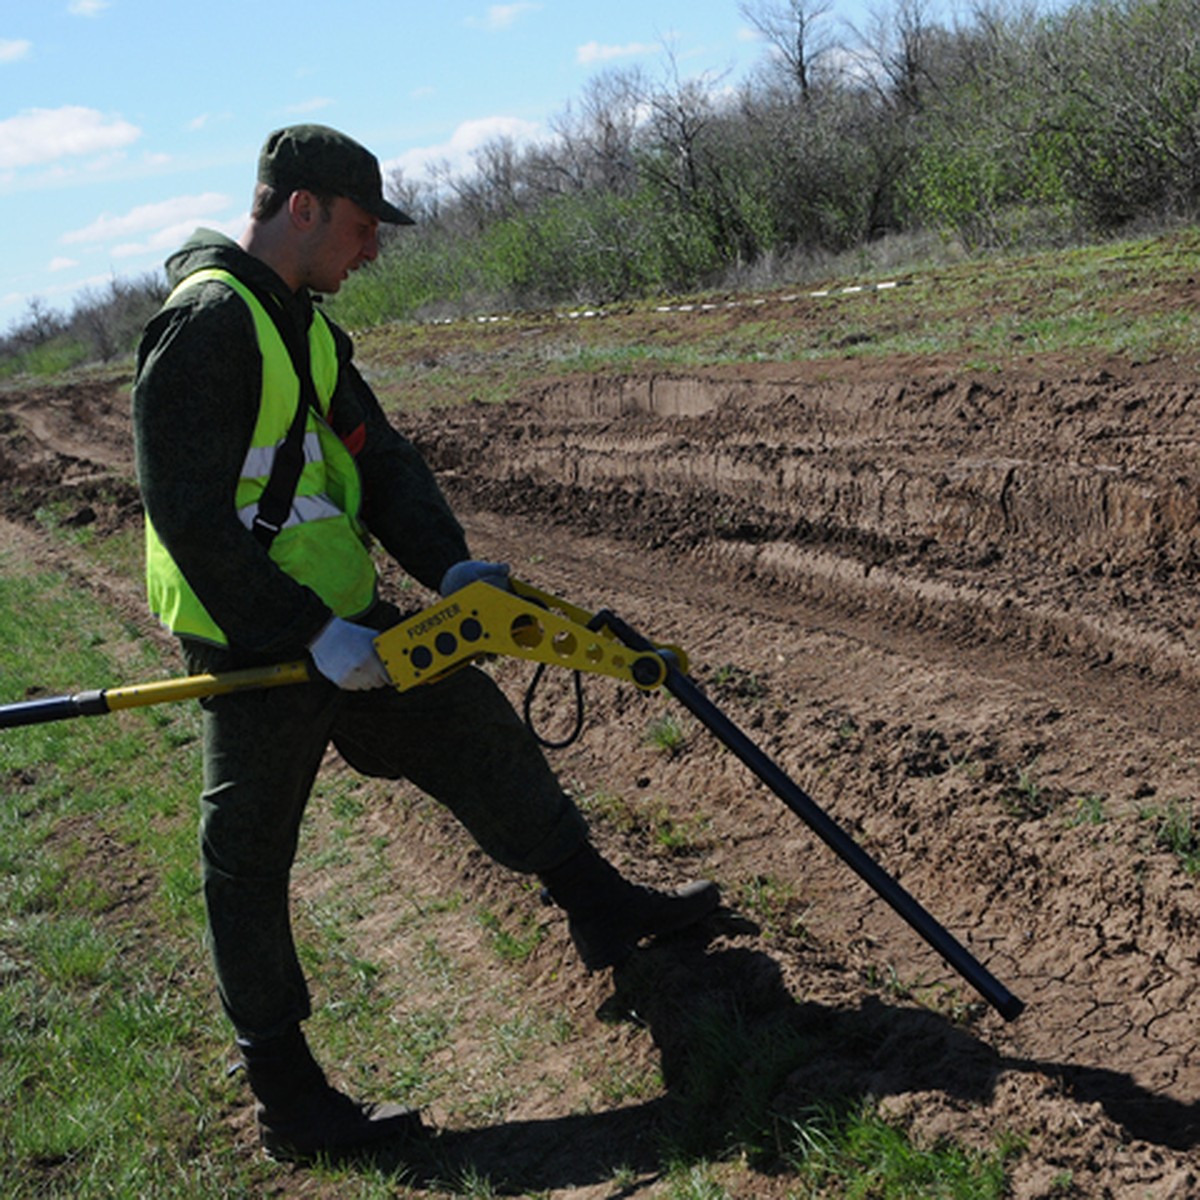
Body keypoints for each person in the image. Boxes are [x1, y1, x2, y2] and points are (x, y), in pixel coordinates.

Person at [131, 124, 720, 1165]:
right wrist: (308, 634)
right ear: (301, 209)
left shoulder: (303, 326)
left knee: (470, 725)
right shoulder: (210, 324)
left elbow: (379, 455)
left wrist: (445, 566)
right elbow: (186, 513)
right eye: (362, 228)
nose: (372, 251)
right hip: (257, 646)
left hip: (350, 624)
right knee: (248, 857)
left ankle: (597, 907)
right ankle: (289, 1099)